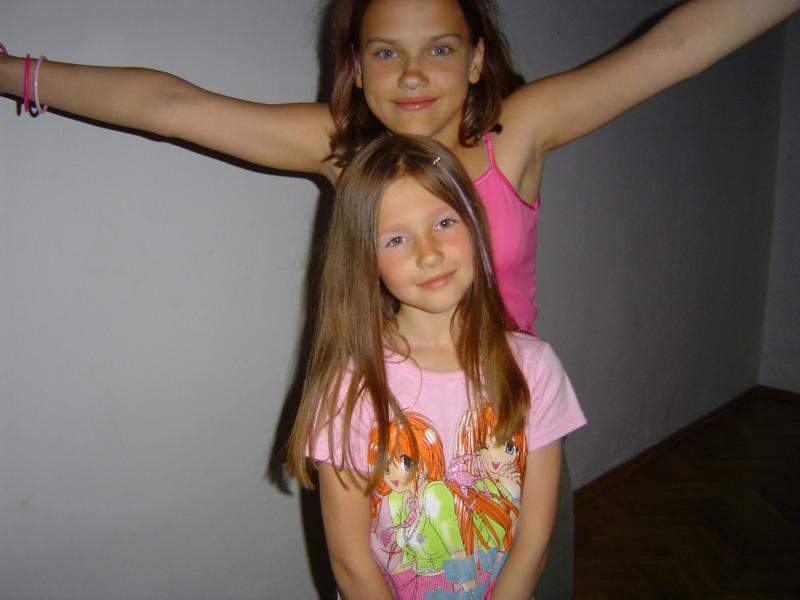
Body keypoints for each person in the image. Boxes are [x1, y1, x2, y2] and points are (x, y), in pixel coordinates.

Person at [1, 0, 798, 333]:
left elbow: (676, 46)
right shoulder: (341, 148)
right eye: (386, 53)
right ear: (357, 66)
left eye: (439, 49)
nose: (413, 75)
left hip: (507, 431)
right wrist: (14, 74)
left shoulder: (517, 135)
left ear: (477, 59)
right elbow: (171, 106)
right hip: (388, 436)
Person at [285, 134, 587, 598]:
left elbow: (533, 543)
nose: (429, 253)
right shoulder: (349, 387)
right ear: (365, 258)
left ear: (475, 224)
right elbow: (351, 564)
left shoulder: (534, 367)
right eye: (397, 239)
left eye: (444, 222)